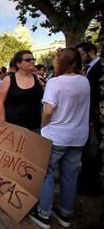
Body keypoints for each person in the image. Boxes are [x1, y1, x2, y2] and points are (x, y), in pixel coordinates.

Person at [29, 47, 90, 229]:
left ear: (63, 61)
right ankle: (65, 213)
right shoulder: (84, 81)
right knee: (70, 176)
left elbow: (48, 110)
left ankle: (44, 214)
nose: (54, 62)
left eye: (56, 59)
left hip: (56, 136)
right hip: (78, 136)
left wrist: (42, 125)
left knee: (47, 174)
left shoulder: (55, 82)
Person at [76, 42, 103, 196]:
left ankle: (92, 185)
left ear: (91, 51)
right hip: (88, 116)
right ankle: (86, 181)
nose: (80, 57)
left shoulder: (99, 67)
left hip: (95, 115)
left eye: (81, 53)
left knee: (94, 151)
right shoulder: (87, 69)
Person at [0, 50, 43, 132]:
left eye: (33, 59)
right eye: (28, 60)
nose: (32, 61)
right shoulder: (9, 80)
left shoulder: (39, 79)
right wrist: (2, 123)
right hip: (13, 127)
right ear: (18, 64)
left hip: (35, 127)